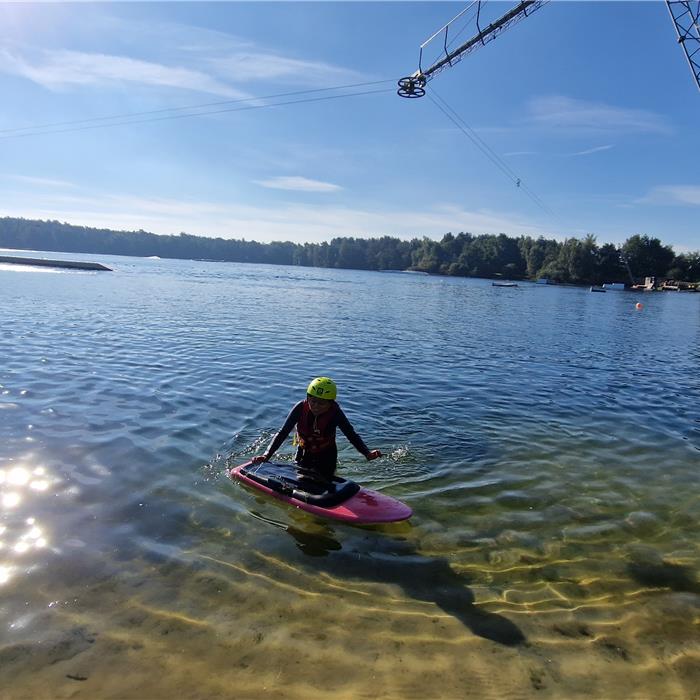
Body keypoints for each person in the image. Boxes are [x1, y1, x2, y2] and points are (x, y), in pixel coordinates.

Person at [252, 377, 381, 482]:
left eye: (321, 403)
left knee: (325, 481)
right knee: (300, 480)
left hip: (327, 454)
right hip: (304, 451)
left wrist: (367, 453)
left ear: (330, 403)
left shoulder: (335, 413)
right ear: (307, 398)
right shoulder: (300, 408)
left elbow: (351, 434)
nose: (315, 406)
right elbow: (283, 432)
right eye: (312, 401)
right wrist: (266, 455)